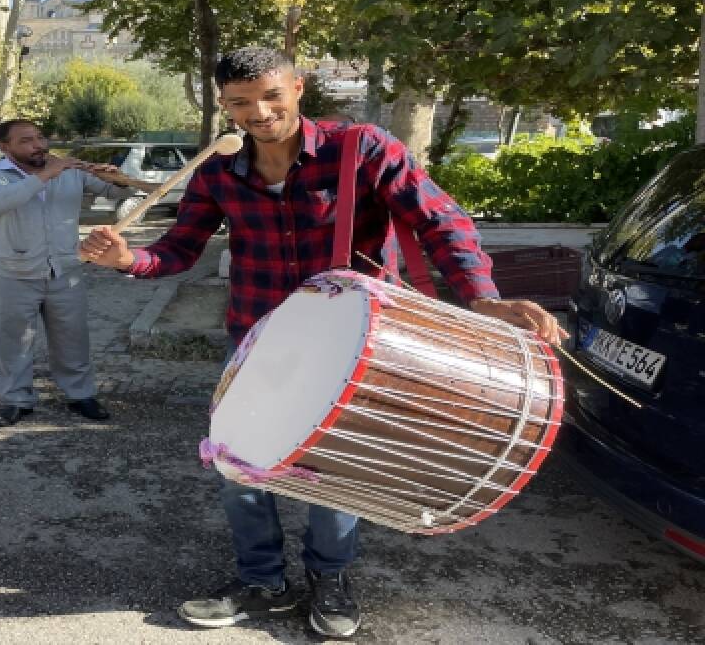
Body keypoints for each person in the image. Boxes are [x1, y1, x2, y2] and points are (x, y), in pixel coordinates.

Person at [80, 47, 564, 638]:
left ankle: (329, 577)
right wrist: (129, 258)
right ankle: (263, 582)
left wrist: (482, 296)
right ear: (224, 105)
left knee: (335, 467)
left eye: (271, 96)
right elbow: (179, 249)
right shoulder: (216, 171)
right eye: (239, 103)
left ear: (298, 87)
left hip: (357, 340)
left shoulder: (361, 148)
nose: (258, 113)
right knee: (238, 461)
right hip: (259, 338)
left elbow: (440, 220)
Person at [0, 119, 139, 427]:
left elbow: (115, 193)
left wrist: (117, 179)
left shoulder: (70, 172)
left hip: (65, 270)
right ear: (4, 147)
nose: (39, 145)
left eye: (40, 138)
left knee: (72, 336)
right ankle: (14, 400)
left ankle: (80, 394)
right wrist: (47, 175)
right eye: (26, 141)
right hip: (9, 274)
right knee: (12, 340)